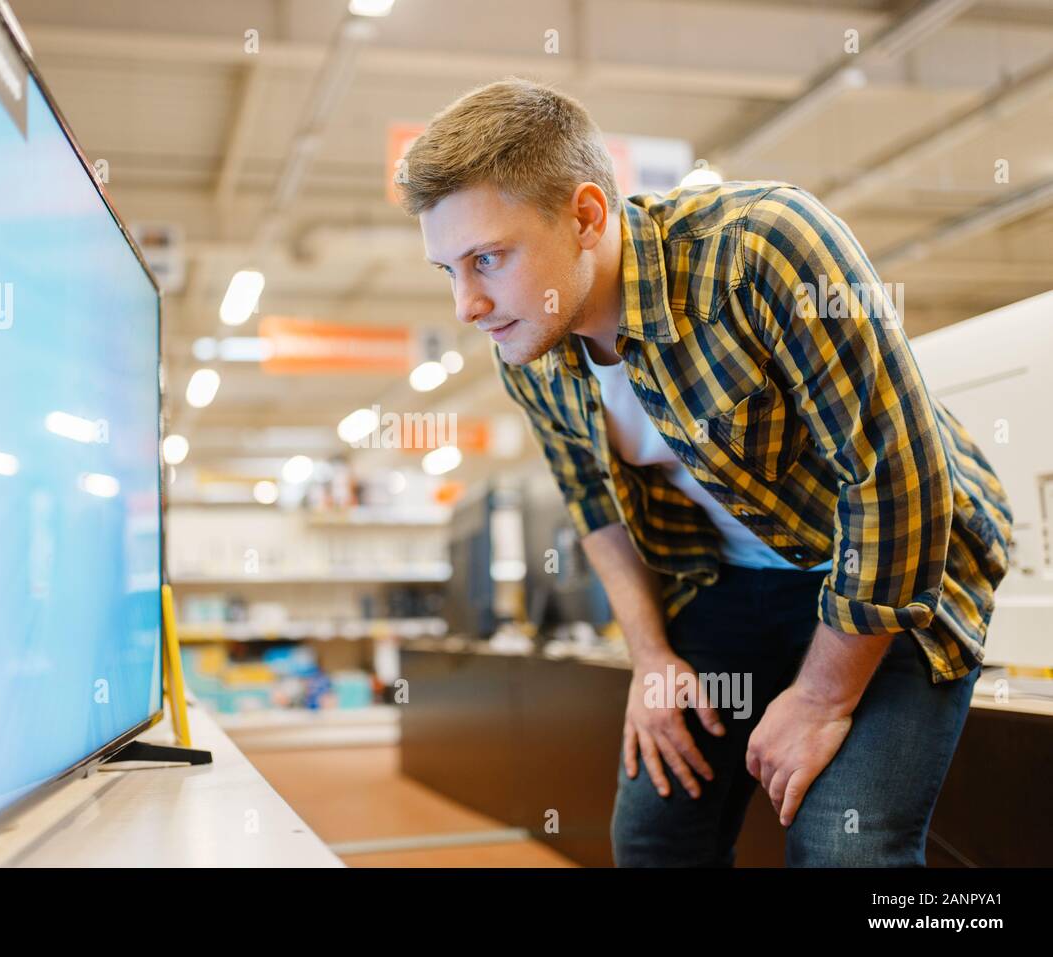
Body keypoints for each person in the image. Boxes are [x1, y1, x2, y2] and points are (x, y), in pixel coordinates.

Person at [397, 77, 1013, 867]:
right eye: (447, 269)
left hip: (890, 562)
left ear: (586, 216)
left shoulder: (763, 247)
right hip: (732, 585)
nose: (468, 306)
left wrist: (822, 698)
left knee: (841, 848)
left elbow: (897, 481)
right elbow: (598, 511)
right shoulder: (531, 344)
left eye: (488, 257)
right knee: (656, 836)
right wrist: (652, 659)